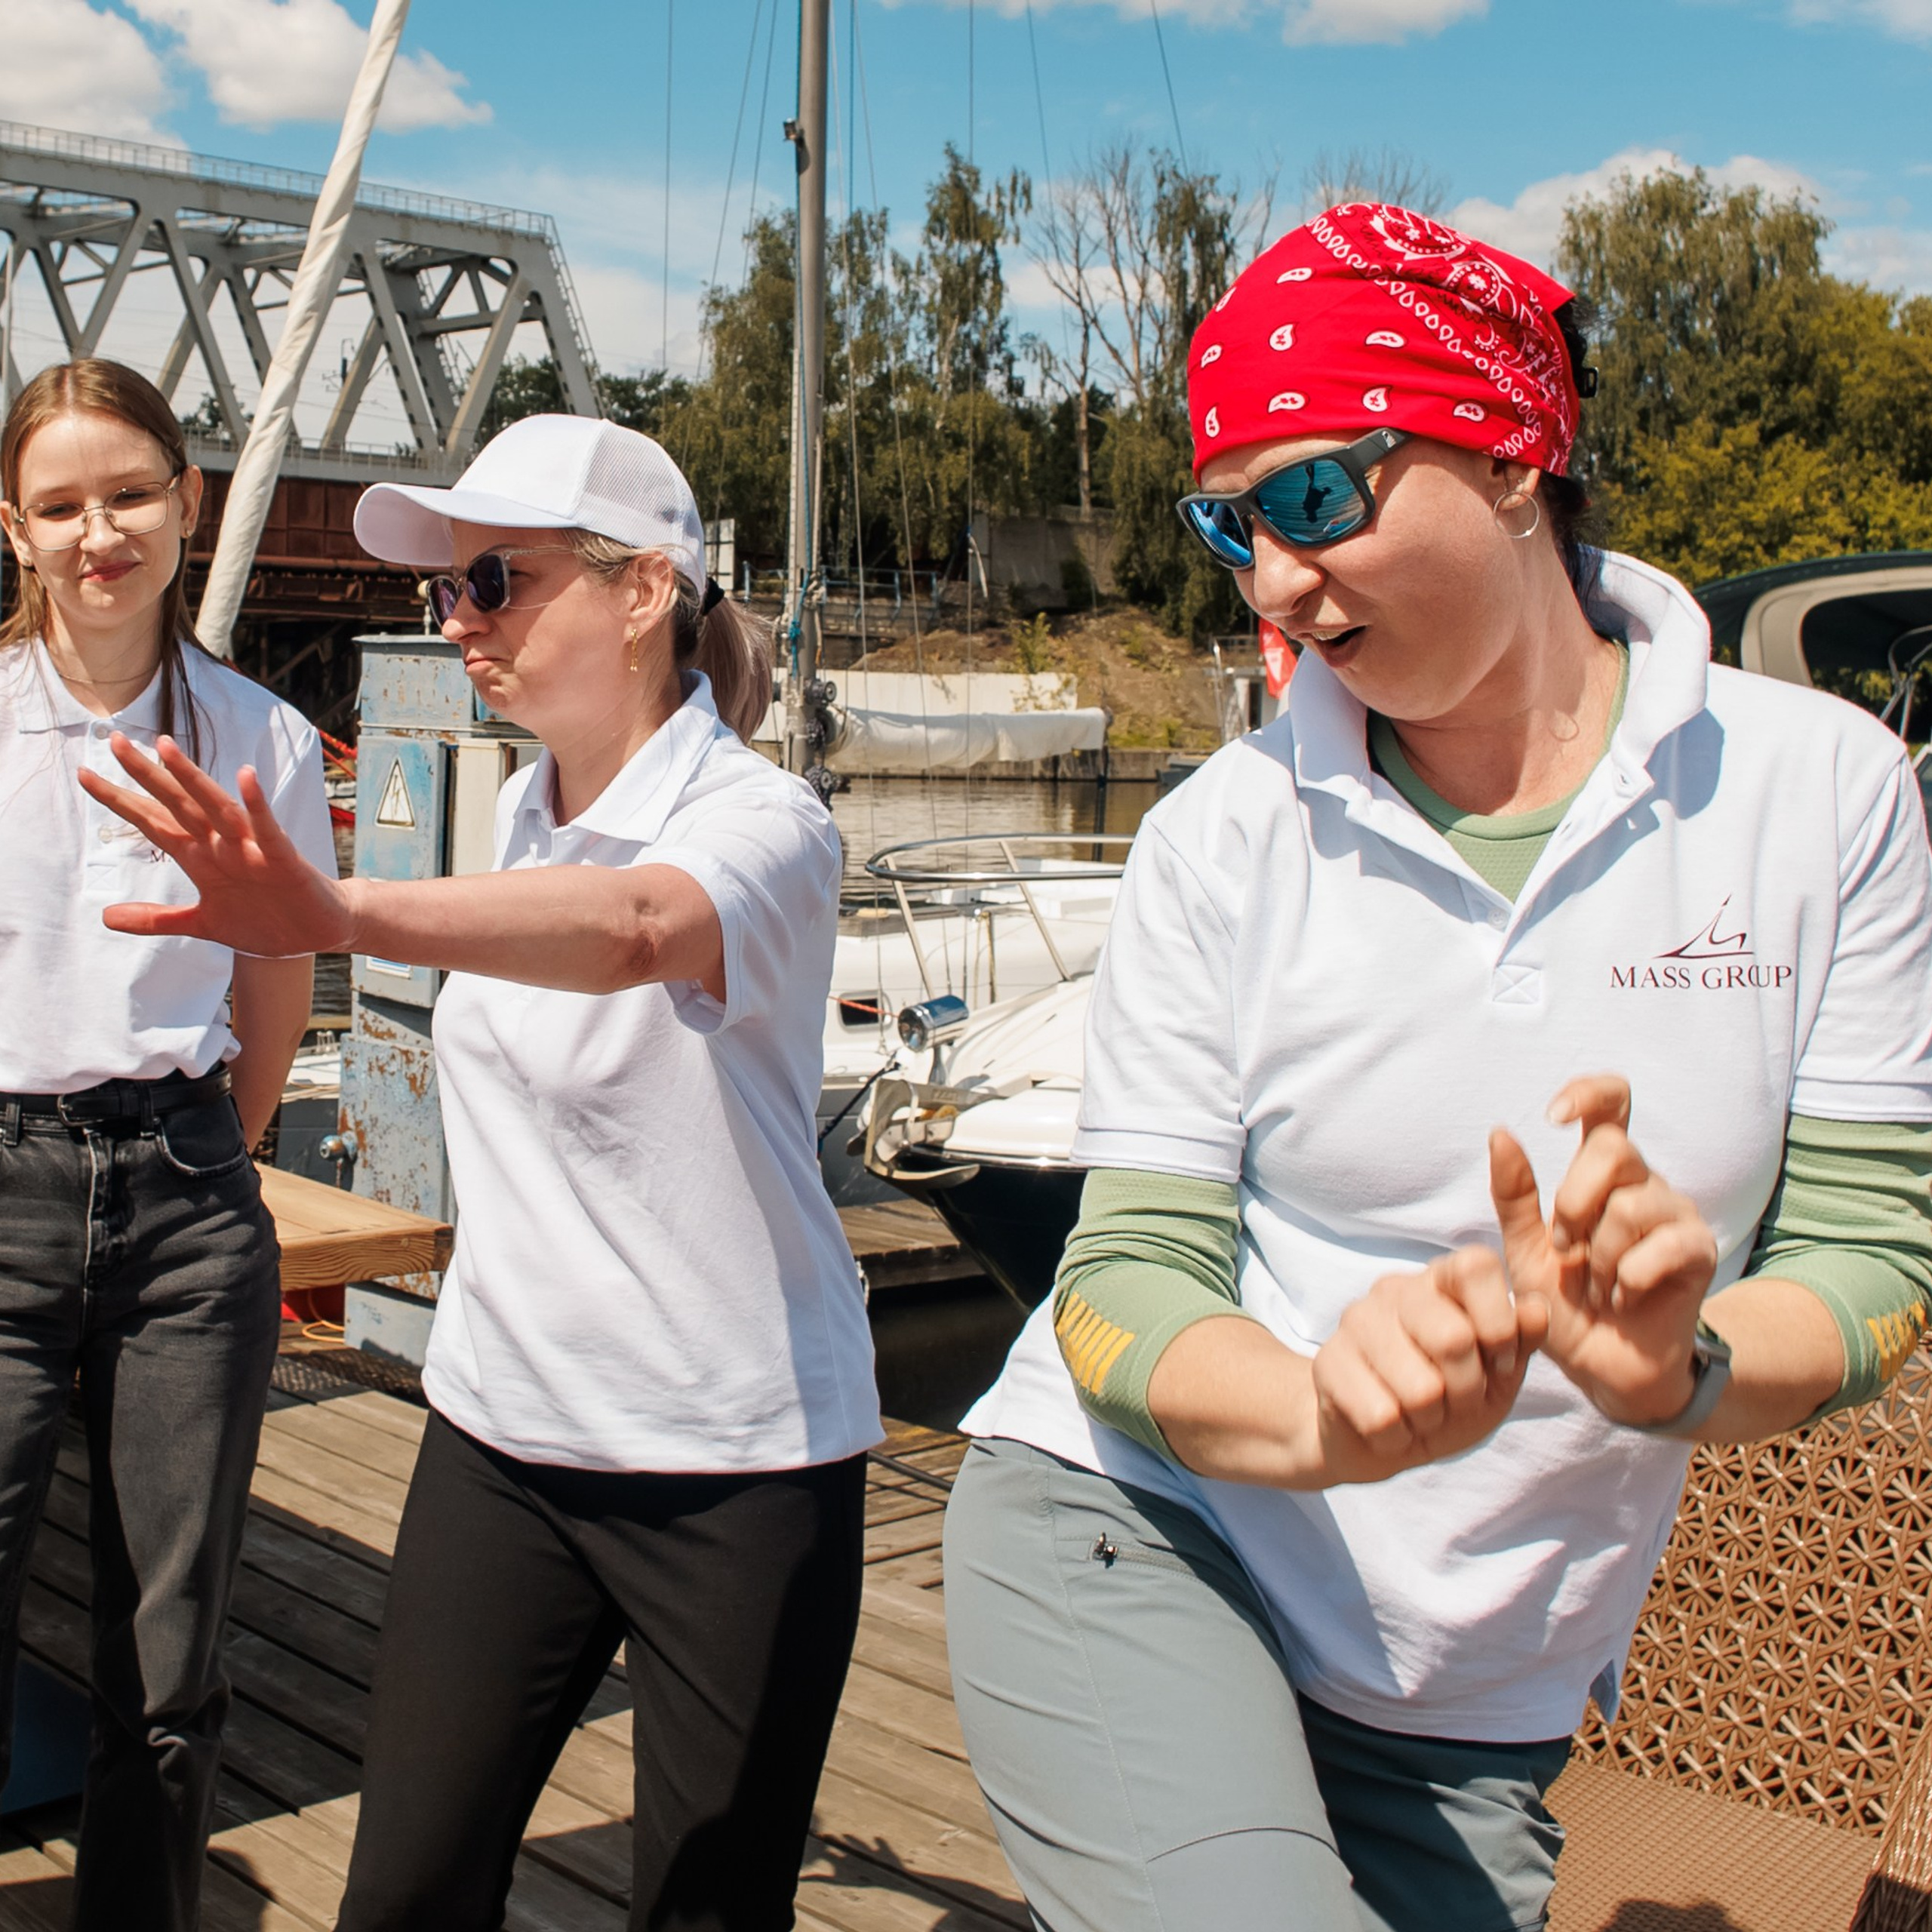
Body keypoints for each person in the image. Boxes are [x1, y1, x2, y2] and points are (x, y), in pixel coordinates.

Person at [943, 202, 1932, 1932]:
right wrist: (1317, 1411)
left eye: (1316, 496)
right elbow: (1121, 1280)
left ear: (1507, 453)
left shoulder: (1823, 791)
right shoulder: (1219, 836)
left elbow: (1870, 1258)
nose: (1270, 578)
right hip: (1145, 1528)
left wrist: (1675, 1364)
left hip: (1476, 1690)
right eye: (1229, 523)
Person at [79, 413, 882, 1931]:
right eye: (445, 589)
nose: (458, 621)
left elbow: (640, 929)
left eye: (494, 580)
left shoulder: (763, 822)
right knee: (404, 1892)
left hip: (737, 1458)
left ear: (643, 590)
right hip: (504, 1434)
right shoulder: (521, 811)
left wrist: (337, 910)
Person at [0, 358, 335, 1932]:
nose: (100, 532)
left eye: (130, 492)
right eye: (61, 504)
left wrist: (223, 1150)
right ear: (15, 528)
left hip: (186, 1201)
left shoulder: (261, 737)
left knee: (168, 1645)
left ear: (187, 504)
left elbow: (276, 979)